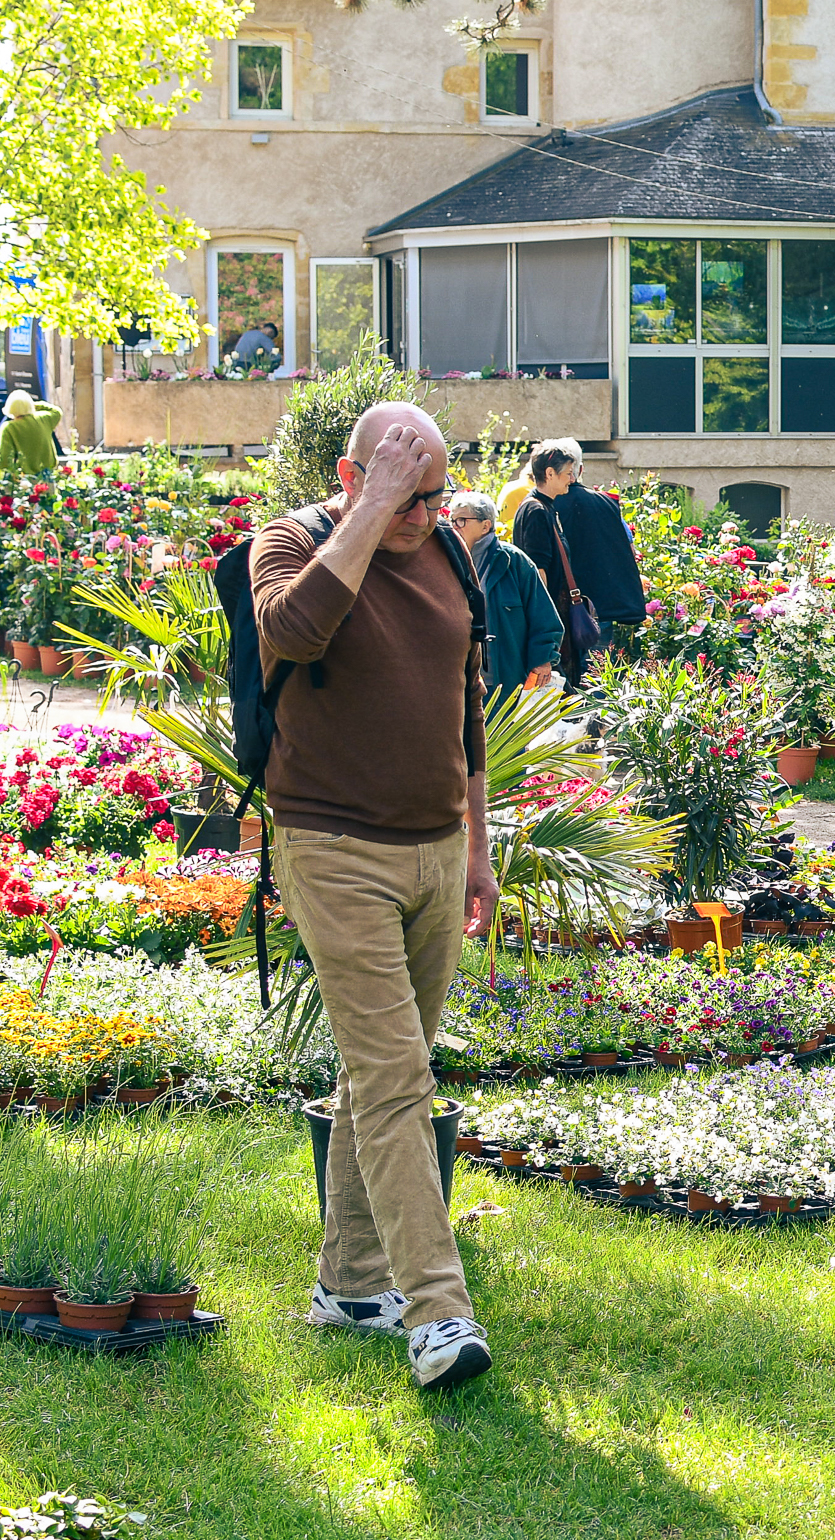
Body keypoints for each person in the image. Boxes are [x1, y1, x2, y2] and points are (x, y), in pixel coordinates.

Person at [249, 401, 496, 1391]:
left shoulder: (447, 552)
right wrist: (372, 513)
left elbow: (464, 703)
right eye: (408, 494)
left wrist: (477, 848)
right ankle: (438, 1314)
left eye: (437, 494)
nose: (426, 514)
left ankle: (350, 1284)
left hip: (436, 850)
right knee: (398, 1082)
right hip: (333, 847)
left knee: (383, 1073)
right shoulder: (291, 543)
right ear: (352, 480)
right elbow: (294, 633)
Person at [509, 438, 647, 684]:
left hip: (570, 615)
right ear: (550, 474)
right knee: (587, 687)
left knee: (581, 686)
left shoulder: (540, 507)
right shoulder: (539, 510)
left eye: (573, 473)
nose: (571, 480)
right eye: (567, 474)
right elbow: (538, 570)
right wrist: (543, 624)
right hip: (562, 618)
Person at [445, 490, 561, 709]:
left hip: (504, 683)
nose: (454, 526)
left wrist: (542, 659)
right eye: (452, 520)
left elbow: (544, 617)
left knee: (508, 742)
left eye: (461, 520)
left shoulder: (513, 561)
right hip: (456, 682)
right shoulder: (445, 560)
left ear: (485, 525)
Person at [0, 391, 61, 476]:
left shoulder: (9, 428)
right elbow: (56, 411)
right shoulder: (44, 418)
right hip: (48, 472)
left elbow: (5, 457)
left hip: (24, 477)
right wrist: (32, 405)